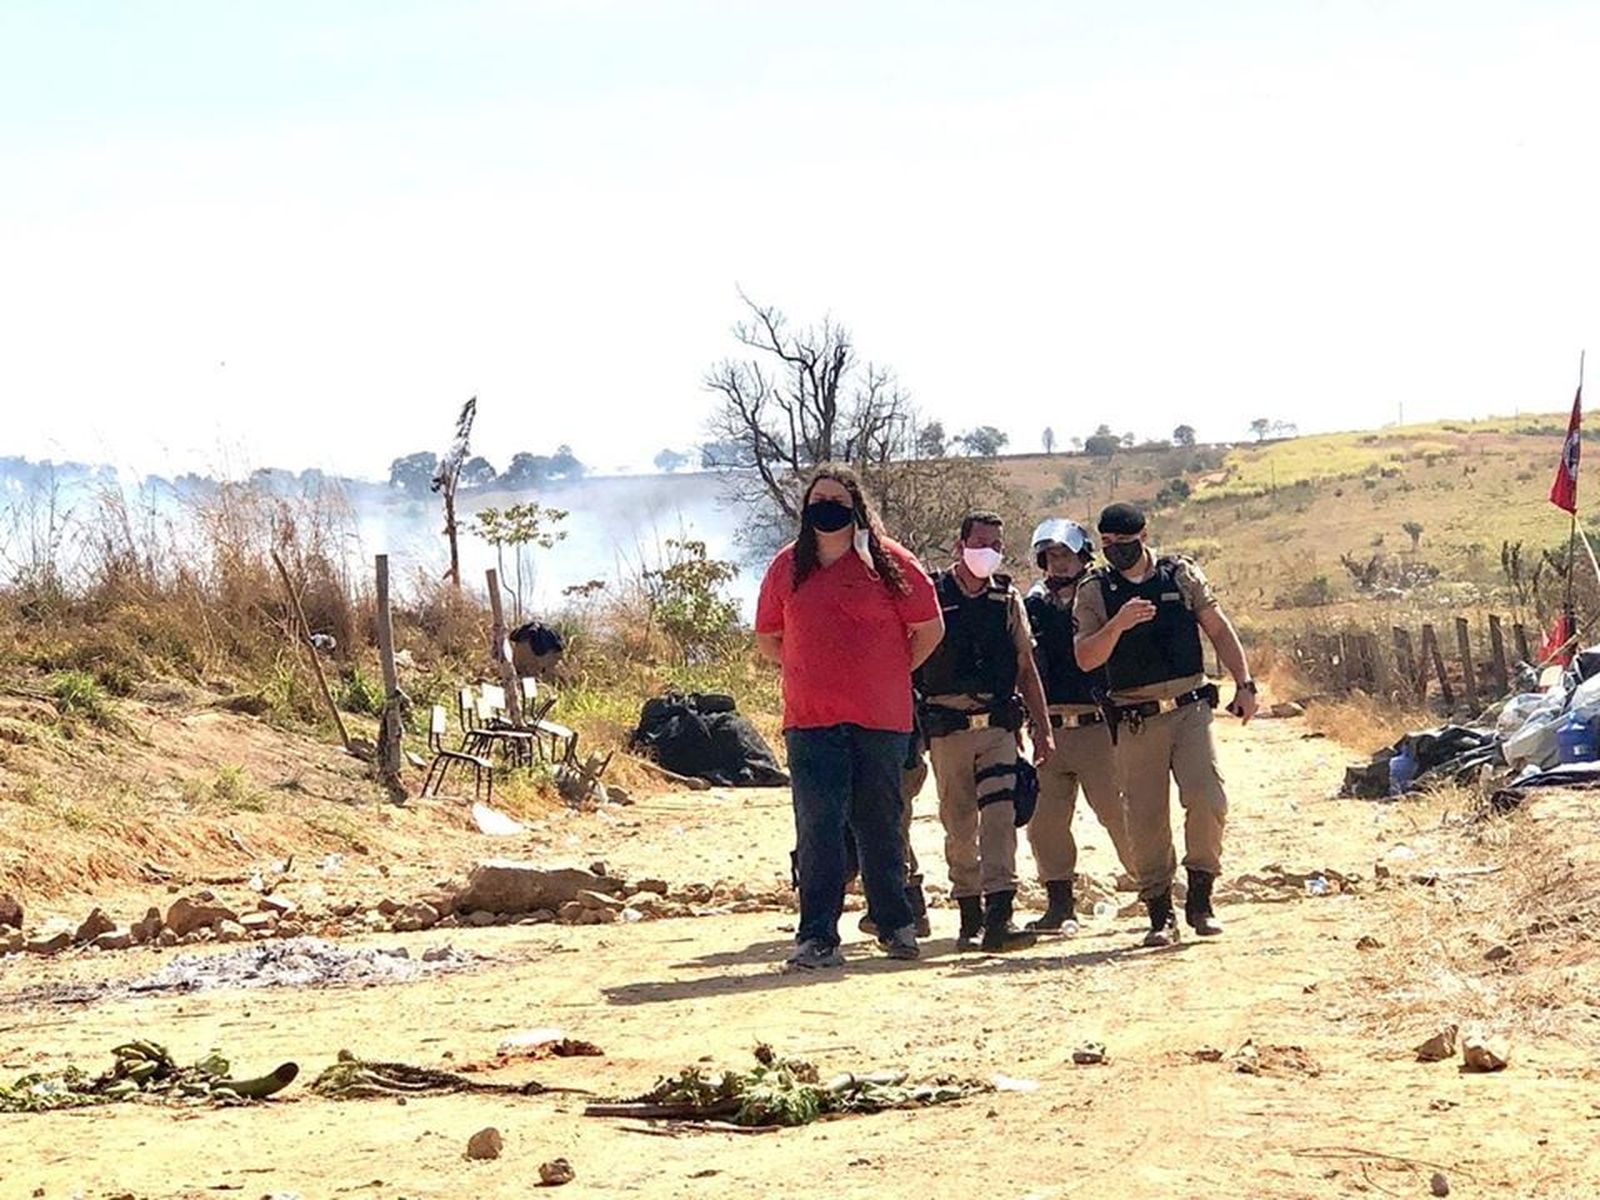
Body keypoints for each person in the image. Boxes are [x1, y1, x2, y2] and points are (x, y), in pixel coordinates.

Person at [755, 465, 944, 969]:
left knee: (880, 823)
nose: (827, 507)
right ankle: (818, 936)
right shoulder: (787, 566)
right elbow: (769, 638)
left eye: (838, 499)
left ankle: (895, 925)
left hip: (881, 720)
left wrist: (890, 670)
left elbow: (928, 629)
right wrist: (810, 669)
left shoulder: (889, 563)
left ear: (857, 506)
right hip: (811, 721)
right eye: (819, 499)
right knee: (818, 828)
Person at [1073, 502, 1257, 947]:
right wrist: (1117, 625)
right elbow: (1085, 658)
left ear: (1143, 535)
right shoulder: (1095, 590)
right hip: (1137, 716)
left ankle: (1201, 896)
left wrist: (1244, 682)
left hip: (1190, 707)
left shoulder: (1180, 576)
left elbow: (1217, 627)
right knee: (1146, 818)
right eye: (1107, 543)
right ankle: (1159, 912)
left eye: (1122, 541)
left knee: (1207, 796)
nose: (1114, 549)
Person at [915, 511, 1054, 952]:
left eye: (996, 544)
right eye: (980, 542)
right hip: (947, 728)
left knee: (1000, 818)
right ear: (959, 546)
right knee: (959, 823)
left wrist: (1043, 729)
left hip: (997, 727)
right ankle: (968, 915)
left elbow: (1025, 669)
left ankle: (1000, 917)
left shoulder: (1007, 599)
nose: (988, 551)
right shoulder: (932, 596)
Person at [1022, 518, 1135, 933]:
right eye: (1051, 556)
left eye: (1066, 555)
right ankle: (1059, 904)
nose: (1059, 564)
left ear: (1083, 555)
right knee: (1045, 824)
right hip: (1049, 726)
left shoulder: (1103, 597)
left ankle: (1153, 890)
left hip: (1096, 725)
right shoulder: (1033, 605)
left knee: (1119, 813)